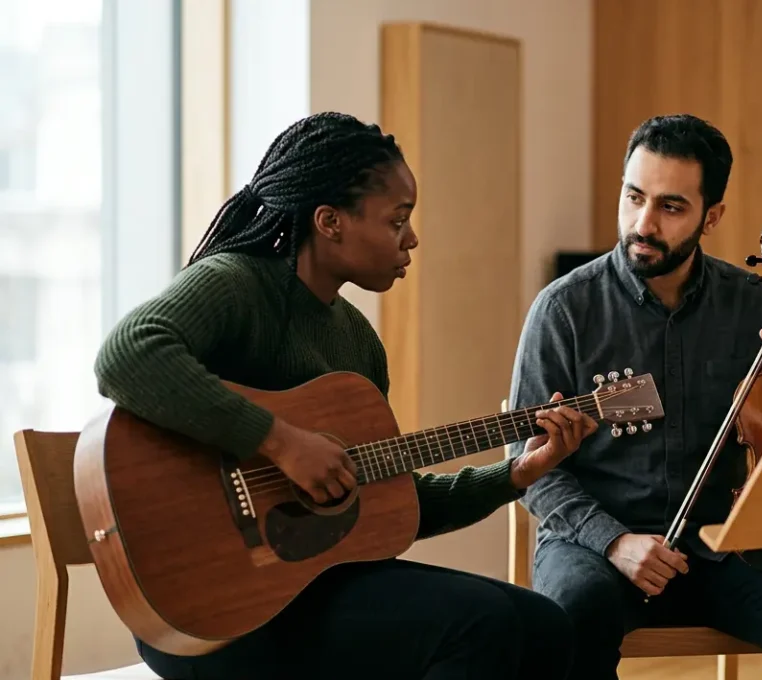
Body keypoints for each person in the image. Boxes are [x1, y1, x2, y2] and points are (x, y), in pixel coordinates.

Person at [93, 112, 596, 680]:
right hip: (214, 612)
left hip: (315, 589)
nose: (412, 238)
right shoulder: (237, 281)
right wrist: (281, 442)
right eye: (396, 220)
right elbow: (126, 354)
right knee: (482, 624)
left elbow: (384, 505)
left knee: (548, 626)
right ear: (330, 221)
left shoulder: (358, 343)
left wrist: (516, 476)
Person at [506, 113, 762, 679]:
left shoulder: (751, 304)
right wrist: (614, 541)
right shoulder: (564, 310)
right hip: (594, 544)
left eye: (670, 207)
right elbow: (527, 464)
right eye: (634, 196)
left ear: (711, 216)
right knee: (574, 614)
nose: (643, 222)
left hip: (717, 546)